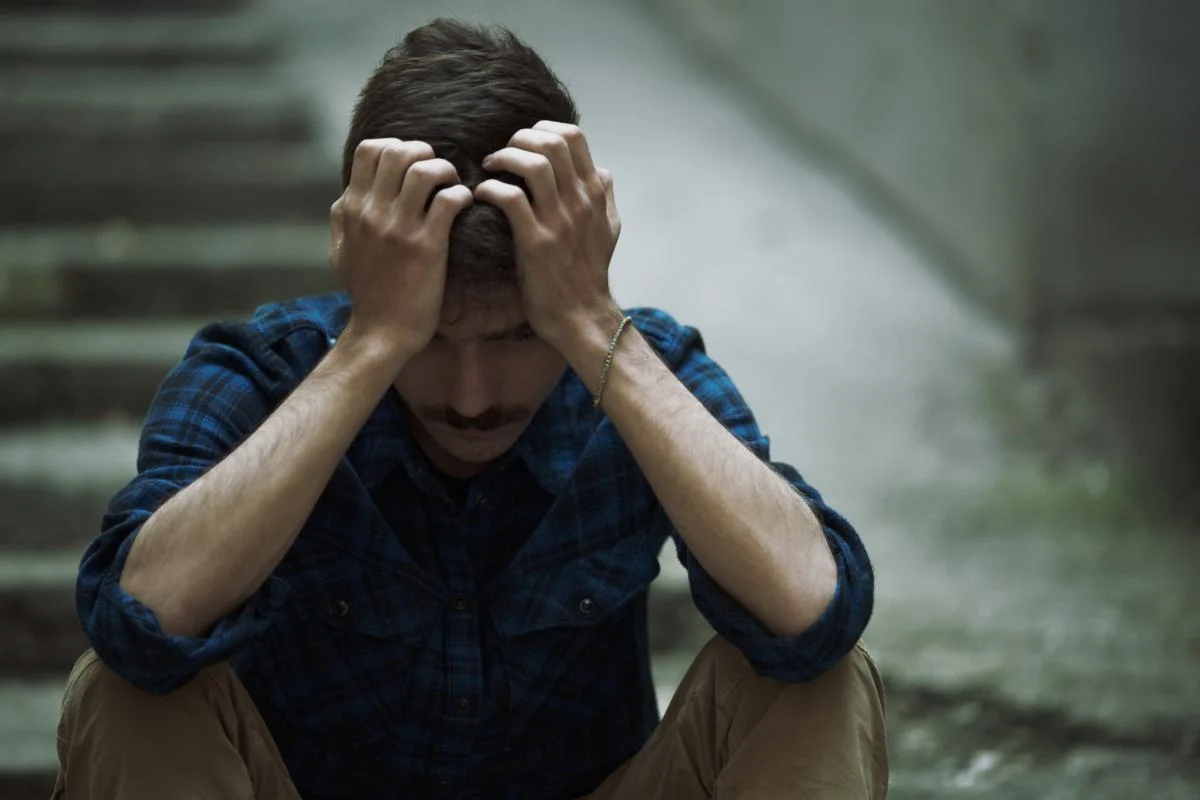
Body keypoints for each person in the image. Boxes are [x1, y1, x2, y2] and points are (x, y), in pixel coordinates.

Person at [54, 18, 886, 800]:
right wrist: (374, 342)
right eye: (434, 342)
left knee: (814, 685)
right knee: (127, 696)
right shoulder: (267, 370)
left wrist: (590, 324)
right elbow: (136, 625)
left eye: (521, 336)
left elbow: (816, 613)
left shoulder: (636, 369)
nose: (473, 398)